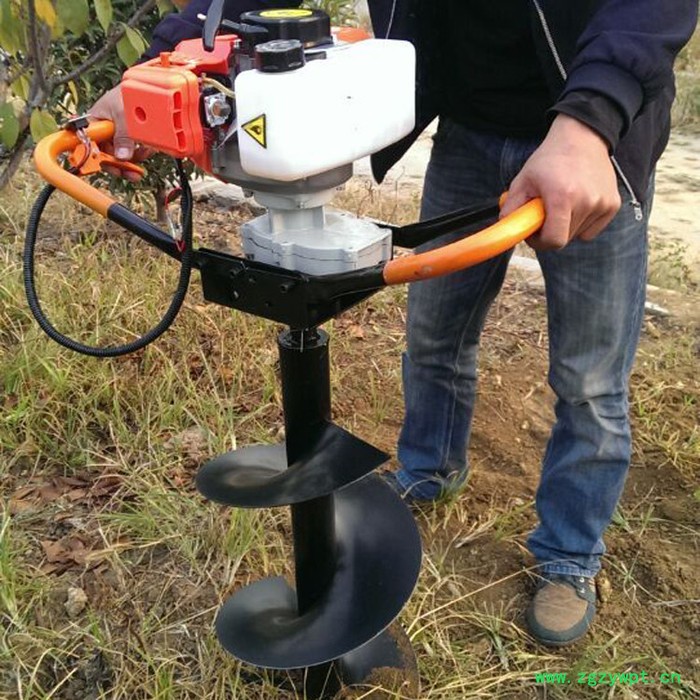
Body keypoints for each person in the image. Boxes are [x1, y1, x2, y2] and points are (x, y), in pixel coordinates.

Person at [91, 0, 698, 647]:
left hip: (592, 147)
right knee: (434, 338)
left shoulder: (594, 127)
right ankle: (428, 471)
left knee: (589, 381)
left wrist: (590, 121)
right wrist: (154, 70)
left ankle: (569, 556)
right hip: (470, 132)